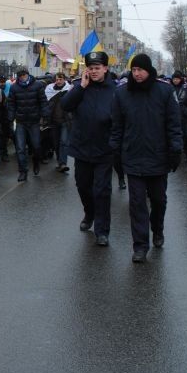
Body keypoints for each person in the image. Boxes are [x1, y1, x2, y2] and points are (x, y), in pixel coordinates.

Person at [111, 54, 183, 263]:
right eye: (134, 70)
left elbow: (173, 124)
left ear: (149, 70)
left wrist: (175, 150)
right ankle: (140, 246)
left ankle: (157, 228)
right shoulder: (122, 93)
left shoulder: (164, 91)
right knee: (137, 204)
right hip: (133, 157)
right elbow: (117, 126)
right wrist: (115, 150)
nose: (137, 74)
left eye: (140, 70)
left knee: (158, 200)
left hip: (158, 157)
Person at [61, 52, 117, 246]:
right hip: (82, 147)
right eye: (91, 68)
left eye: (97, 68)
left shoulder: (115, 90)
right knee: (83, 186)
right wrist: (81, 87)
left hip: (104, 149)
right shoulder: (79, 87)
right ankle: (89, 213)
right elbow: (65, 105)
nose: (94, 71)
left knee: (102, 190)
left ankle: (102, 231)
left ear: (105, 68)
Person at [7, 67, 46, 182]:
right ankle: (23, 171)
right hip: (21, 122)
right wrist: (10, 117)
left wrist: (45, 114)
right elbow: (11, 104)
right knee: (20, 148)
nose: (22, 77)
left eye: (24, 75)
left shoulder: (38, 85)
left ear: (27, 74)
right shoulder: (14, 88)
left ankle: (36, 162)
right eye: (20, 75)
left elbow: (43, 101)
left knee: (36, 146)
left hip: (34, 121)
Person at [44, 72, 72, 173]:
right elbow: (46, 104)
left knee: (64, 142)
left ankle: (63, 163)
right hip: (53, 121)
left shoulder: (69, 89)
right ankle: (60, 162)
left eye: (60, 79)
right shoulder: (49, 89)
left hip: (65, 121)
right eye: (57, 79)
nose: (58, 81)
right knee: (56, 143)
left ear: (64, 79)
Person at [0, 75, 13, 161]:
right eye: (0, 82)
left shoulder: (10, 88)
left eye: (3, 81)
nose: (2, 83)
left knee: (6, 135)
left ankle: (4, 153)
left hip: (7, 116)